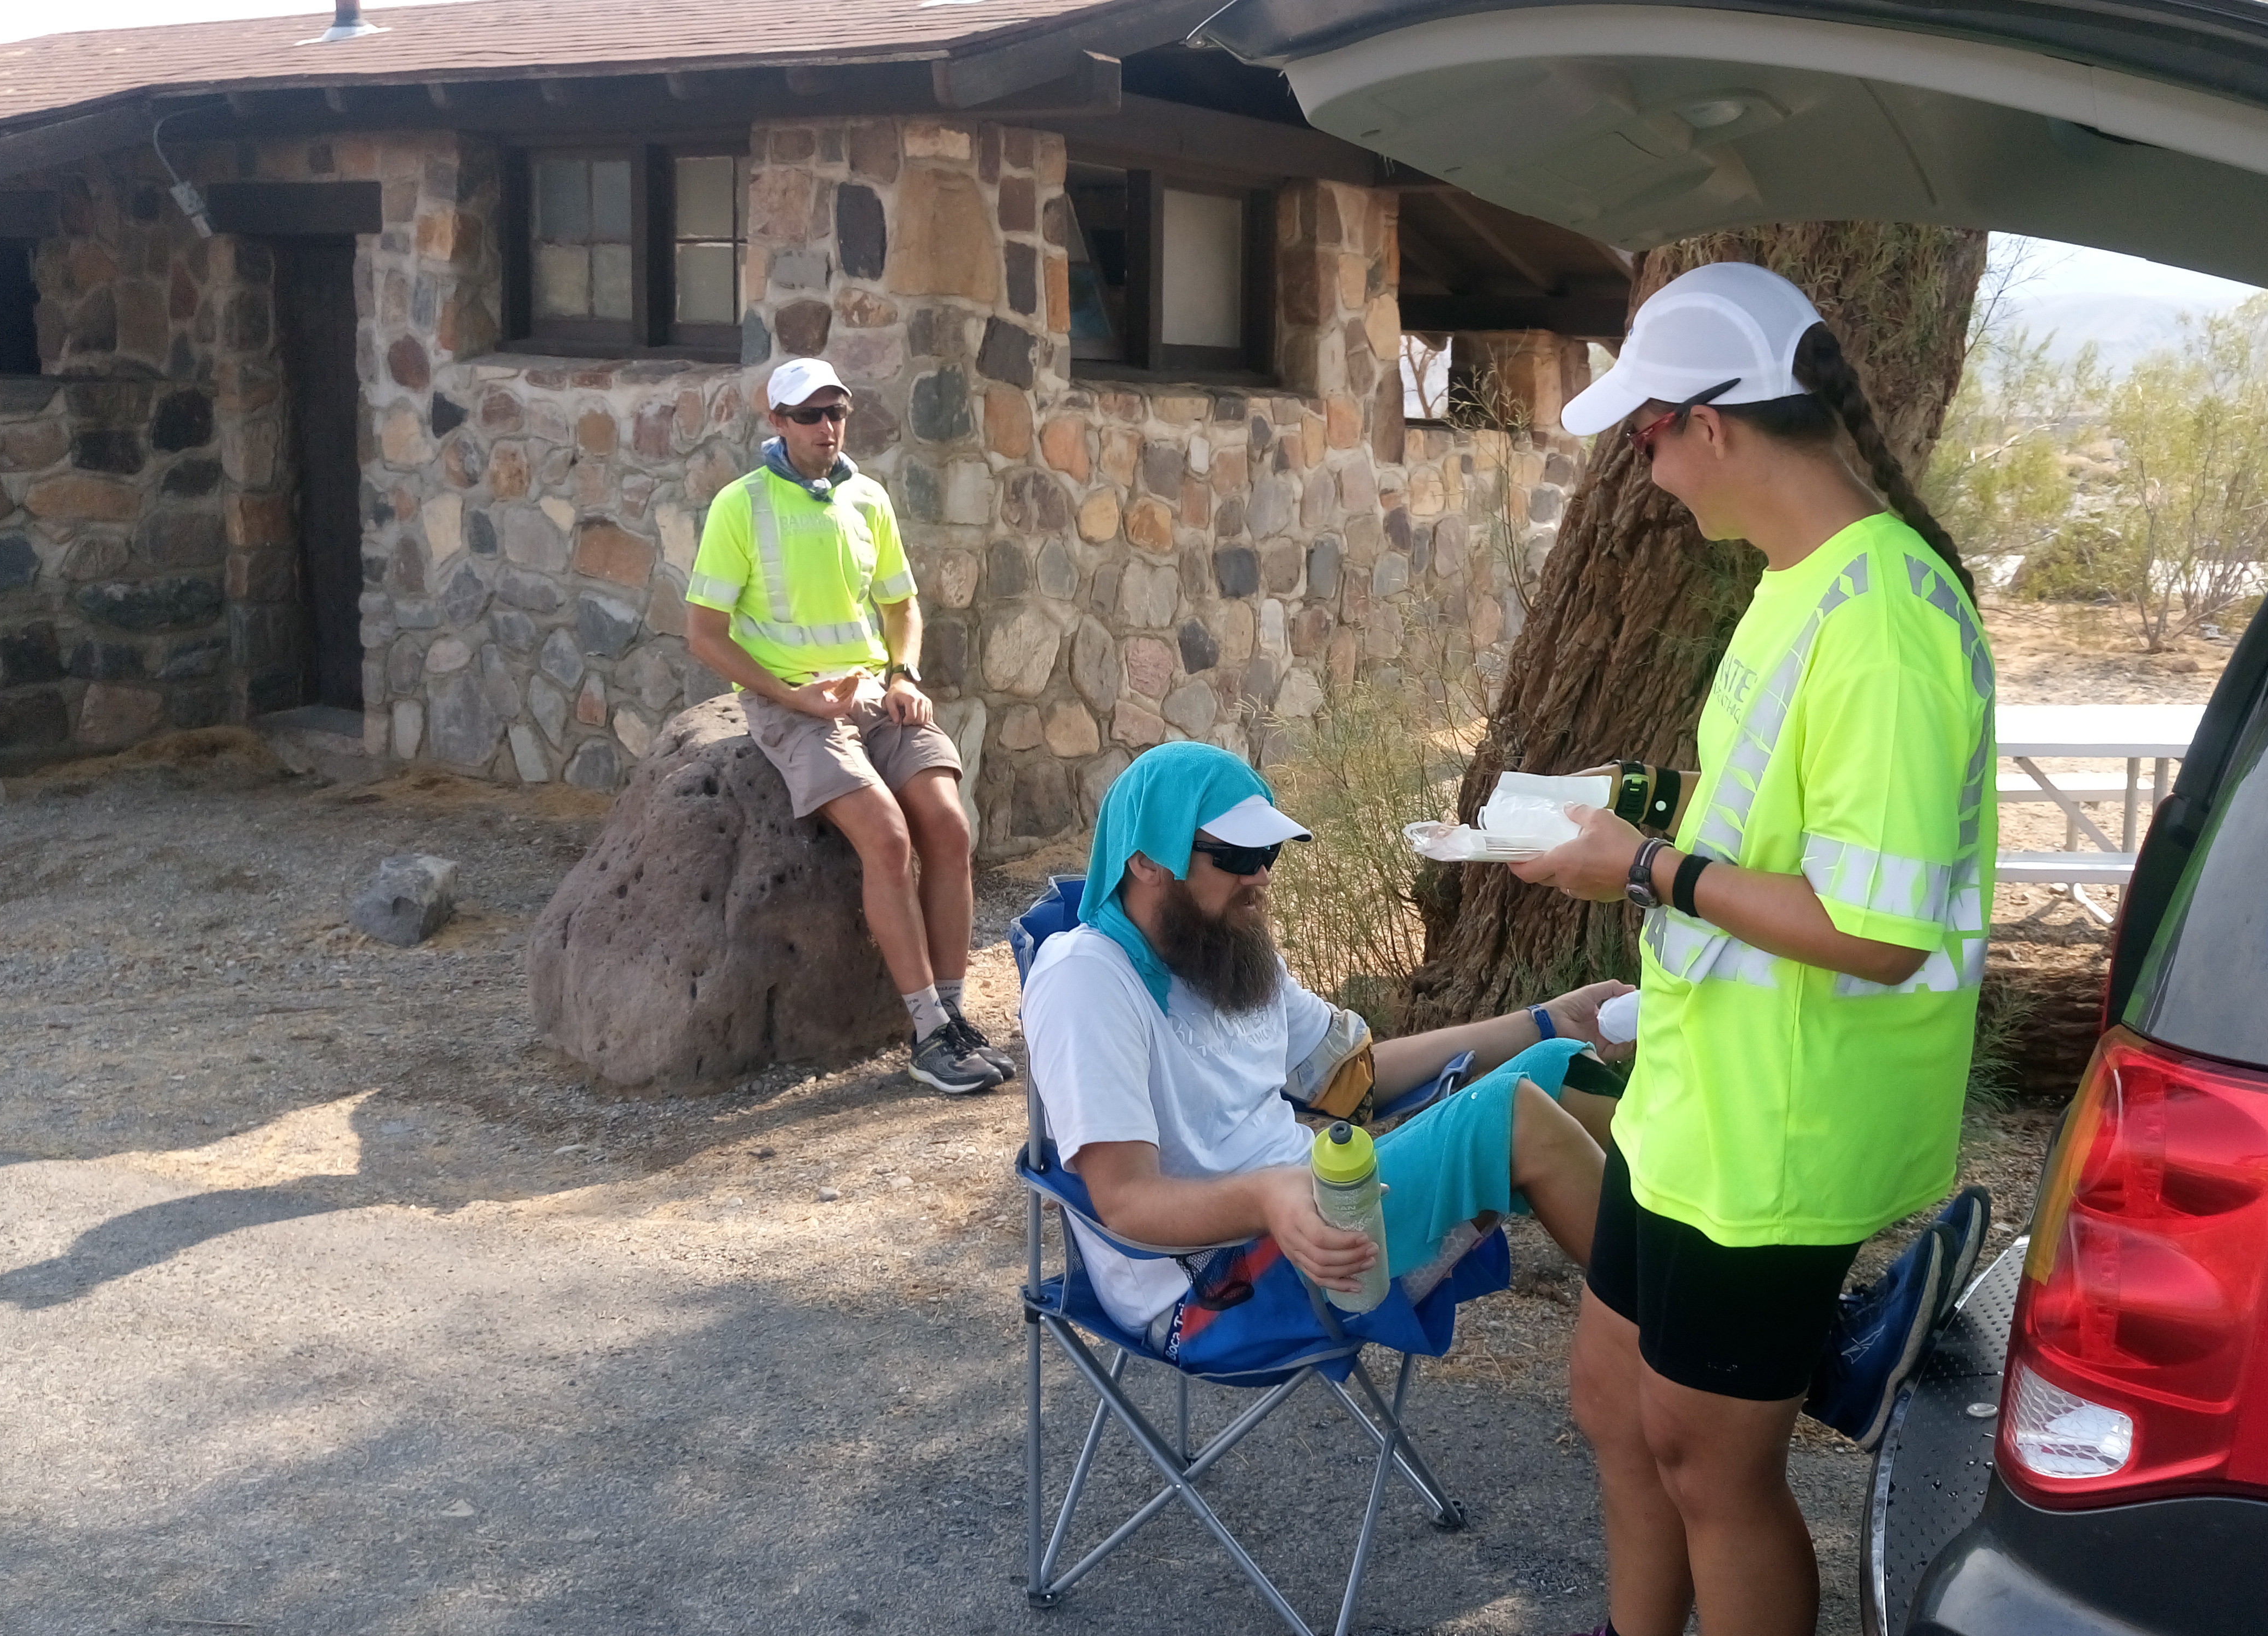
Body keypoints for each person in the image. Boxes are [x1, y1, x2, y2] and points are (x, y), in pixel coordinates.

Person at [1512, 263, 1998, 1636]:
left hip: (1790, 1118)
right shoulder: (1799, 580)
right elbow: (1776, 817)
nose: (1646, 473)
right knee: (1615, 1402)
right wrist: (1641, 804)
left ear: (1709, 422)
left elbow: (1878, 932)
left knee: (1708, 1456)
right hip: (1703, 1090)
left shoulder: (1885, 622)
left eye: (1643, 439)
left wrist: (1647, 865)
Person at [1022, 741, 1620, 1354]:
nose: (1258, 875)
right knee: (1514, 1115)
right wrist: (1268, 1196)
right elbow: (1125, 1201)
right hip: (1211, 1285)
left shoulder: (1224, 952)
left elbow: (1351, 1080)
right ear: (1148, 858)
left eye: (1268, 852)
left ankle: (1703, 1255)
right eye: (1235, 854)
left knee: (1554, 1065)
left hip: (1312, 1213)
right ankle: (1684, 1343)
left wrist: (1546, 1020)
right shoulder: (1088, 978)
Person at [685, 358, 1011, 1095]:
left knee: (950, 830)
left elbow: (902, 606)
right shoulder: (741, 506)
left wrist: (904, 675)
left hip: (875, 695)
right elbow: (705, 634)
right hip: (795, 706)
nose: (826, 428)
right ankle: (927, 1031)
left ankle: (954, 1017)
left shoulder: (868, 499)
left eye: (835, 413)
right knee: (888, 837)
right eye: (808, 415)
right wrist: (794, 699)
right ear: (776, 423)